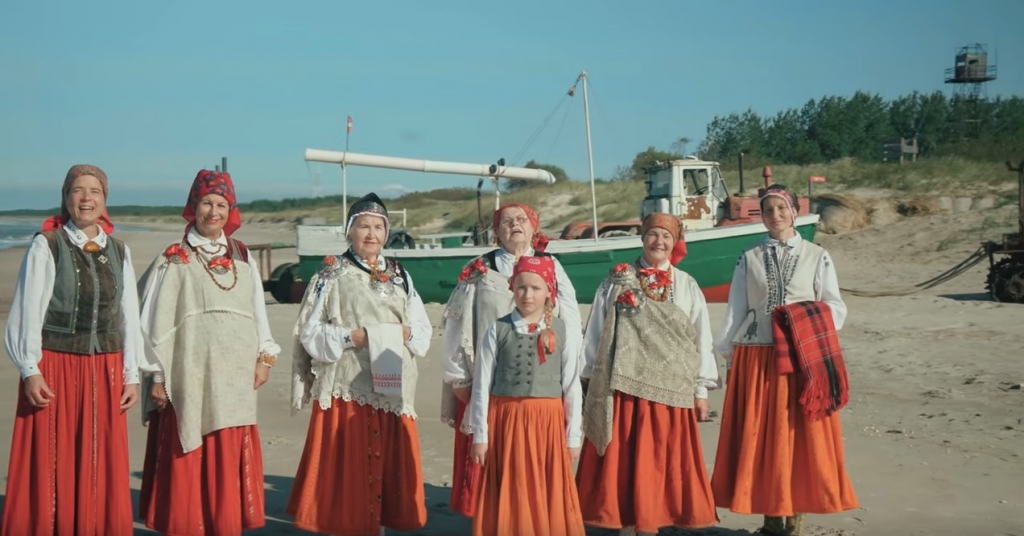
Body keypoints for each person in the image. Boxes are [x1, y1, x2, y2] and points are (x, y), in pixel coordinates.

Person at [135, 169, 280, 535]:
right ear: (193, 207)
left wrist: (264, 357)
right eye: (206, 203)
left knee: (226, 459)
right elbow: (152, 321)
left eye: (221, 204)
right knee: (189, 456)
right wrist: (157, 375)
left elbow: (256, 313)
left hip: (234, 383)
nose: (213, 212)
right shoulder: (174, 259)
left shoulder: (241, 257)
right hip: (189, 381)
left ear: (230, 210)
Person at [2, 164, 142, 536]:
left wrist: (132, 375)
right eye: (77, 190)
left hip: (107, 367)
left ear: (104, 200)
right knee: (55, 457)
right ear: (66, 198)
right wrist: (30, 369)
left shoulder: (120, 251)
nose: (86, 198)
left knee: (101, 458)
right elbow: (27, 311)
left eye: (94, 191)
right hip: (57, 366)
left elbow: (129, 318)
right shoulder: (46, 244)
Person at [711, 184, 858, 536]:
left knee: (798, 433)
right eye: (767, 210)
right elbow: (736, 309)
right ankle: (770, 516)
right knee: (761, 435)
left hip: (801, 356)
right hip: (757, 355)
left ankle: (795, 517)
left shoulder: (817, 255)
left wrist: (803, 320)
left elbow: (836, 307)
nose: (774, 215)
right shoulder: (748, 258)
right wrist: (729, 353)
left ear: (793, 211)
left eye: (780, 208)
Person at [288, 193, 432, 536]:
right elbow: (310, 331)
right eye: (364, 226)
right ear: (350, 231)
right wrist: (354, 337)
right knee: (347, 470)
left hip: (392, 382)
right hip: (347, 384)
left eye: (378, 227)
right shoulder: (332, 273)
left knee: (386, 464)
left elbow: (423, 329)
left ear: (386, 233)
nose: (371, 234)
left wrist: (407, 332)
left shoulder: (400, 274)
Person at [576, 213, 720, 536]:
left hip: (672, 392)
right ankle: (627, 524)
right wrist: (587, 381)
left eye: (666, 236)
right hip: (625, 388)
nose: (659, 242)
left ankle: (652, 522)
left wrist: (701, 389)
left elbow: (701, 338)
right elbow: (596, 331)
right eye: (653, 235)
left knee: (659, 462)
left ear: (675, 242)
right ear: (642, 237)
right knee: (626, 463)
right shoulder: (617, 279)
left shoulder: (686, 285)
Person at [439, 202, 583, 517]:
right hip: (484, 381)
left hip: (537, 384)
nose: (514, 225)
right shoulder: (480, 267)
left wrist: (571, 373)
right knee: (487, 464)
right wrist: (458, 377)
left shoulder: (552, 265)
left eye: (521, 219)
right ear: (496, 230)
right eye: (506, 221)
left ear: (534, 227)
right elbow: (456, 324)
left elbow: (569, 322)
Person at [468, 255, 585, 536]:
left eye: (535, 288)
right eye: (521, 287)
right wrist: (480, 435)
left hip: (547, 422)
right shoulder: (498, 329)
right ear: (512, 288)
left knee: (545, 488)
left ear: (549, 291)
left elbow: (571, 385)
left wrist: (573, 436)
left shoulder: (563, 329)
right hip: (506, 420)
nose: (527, 294)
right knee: (512, 484)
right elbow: (482, 384)